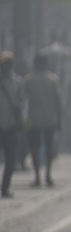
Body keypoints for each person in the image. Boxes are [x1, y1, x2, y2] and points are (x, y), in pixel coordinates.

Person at [24, 54, 62, 188]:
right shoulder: (53, 79)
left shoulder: (28, 80)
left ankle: (37, 177)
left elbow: (23, 101)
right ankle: (48, 175)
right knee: (48, 147)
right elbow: (58, 101)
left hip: (33, 119)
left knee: (34, 147)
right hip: (49, 118)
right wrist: (60, 119)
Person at [0, 52, 25, 198]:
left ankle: (5, 187)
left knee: (10, 158)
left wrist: (19, 108)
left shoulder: (18, 82)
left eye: (8, 63)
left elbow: (22, 101)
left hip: (11, 125)